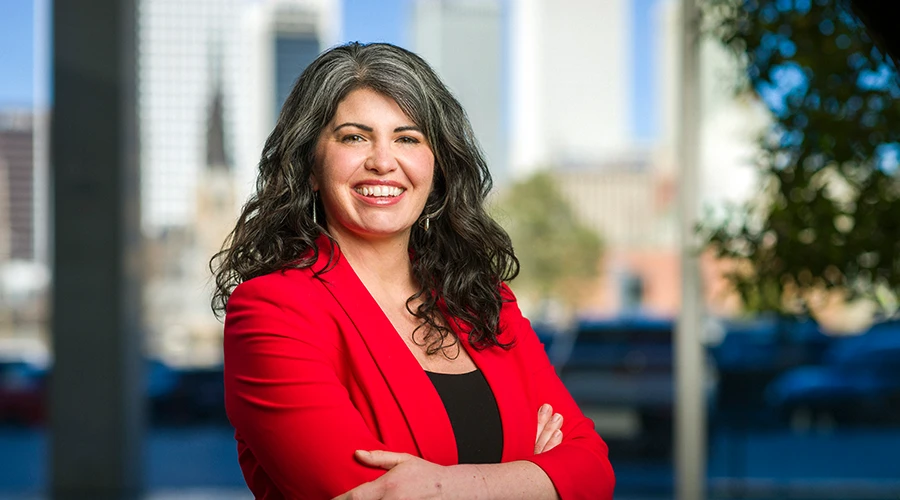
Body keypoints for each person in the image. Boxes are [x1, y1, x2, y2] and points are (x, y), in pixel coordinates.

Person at [212, 42, 615, 500]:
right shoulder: (272, 311)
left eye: (408, 138)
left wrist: (447, 486)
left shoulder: (485, 300)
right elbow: (372, 496)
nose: (384, 161)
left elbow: (593, 470)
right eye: (353, 137)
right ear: (309, 166)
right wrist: (534, 475)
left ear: (436, 166)